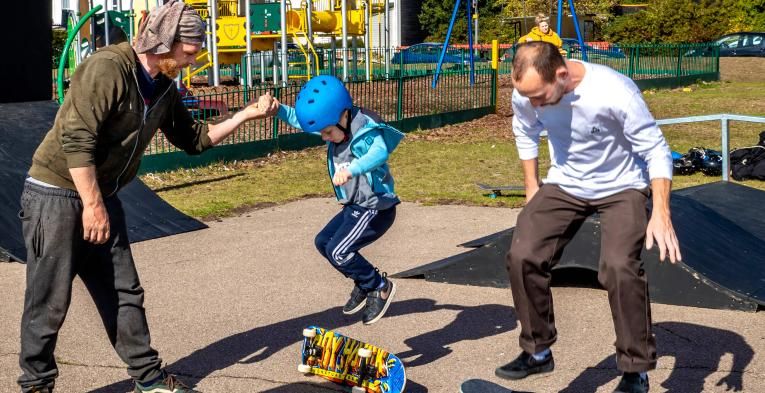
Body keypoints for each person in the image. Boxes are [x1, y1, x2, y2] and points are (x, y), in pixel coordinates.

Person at [17, 1, 278, 392]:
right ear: (165, 40)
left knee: (124, 291)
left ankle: (149, 379)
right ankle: (36, 385)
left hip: (101, 196)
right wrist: (91, 206)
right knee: (49, 299)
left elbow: (194, 140)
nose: (194, 59)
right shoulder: (108, 68)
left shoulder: (164, 86)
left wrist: (244, 116)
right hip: (56, 193)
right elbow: (77, 139)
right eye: (189, 50)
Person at [495, 41, 682, 393]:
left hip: (624, 185)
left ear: (561, 74)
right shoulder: (526, 92)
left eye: (539, 96)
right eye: (527, 96)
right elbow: (525, 130)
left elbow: (656, 150)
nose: (532, 104)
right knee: (523, 255)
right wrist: (533, 187)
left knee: (618, 266)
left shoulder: (613, 90)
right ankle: (538, 352)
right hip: (567, 182)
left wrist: (661, 212)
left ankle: (634, 369)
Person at [268, 75, 403, 325]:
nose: (324, 137)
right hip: (356, 207)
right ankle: (363, 283)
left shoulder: (364, 130)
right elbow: (303, 120)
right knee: (323, 242)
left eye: (328, 132)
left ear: (343, 116)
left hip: (375, 208)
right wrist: (278, 110)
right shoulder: (337, 121)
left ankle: (379, 286)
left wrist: (353, 169)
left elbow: (380, 151)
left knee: (339, 252)